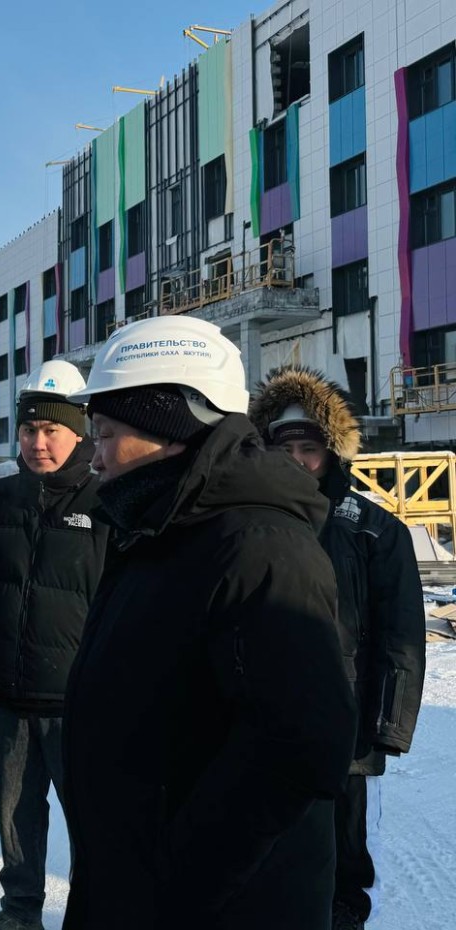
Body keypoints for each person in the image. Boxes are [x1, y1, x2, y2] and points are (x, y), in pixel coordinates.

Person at [60, 317, 357, 930]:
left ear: (170, 430)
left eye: (107, 433)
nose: (93, 455)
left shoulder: (260, 546)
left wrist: (175, 874)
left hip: (212, 904)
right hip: (139, 881)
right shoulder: (165, 529)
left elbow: (299, 746)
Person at [248, 366, 425, 930]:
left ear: (334, 453)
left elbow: (402, 634)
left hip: (345, 718)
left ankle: (343, 914)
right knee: (263, 837)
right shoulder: (246, 523)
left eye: (310, 448)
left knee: (341, 848)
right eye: (286, 448)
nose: (297, 460)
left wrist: (388, 725)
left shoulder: (374, 531)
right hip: (261, 716)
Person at [0, 361, 108, 930]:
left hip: (81, 702)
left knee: (92, 817)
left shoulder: (108, 504)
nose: (38, 443)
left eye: (51, 431)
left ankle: (92, 911)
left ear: (79, 433)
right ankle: (20, 911)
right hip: (8, 695)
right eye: (29, 431)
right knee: (15, 812)